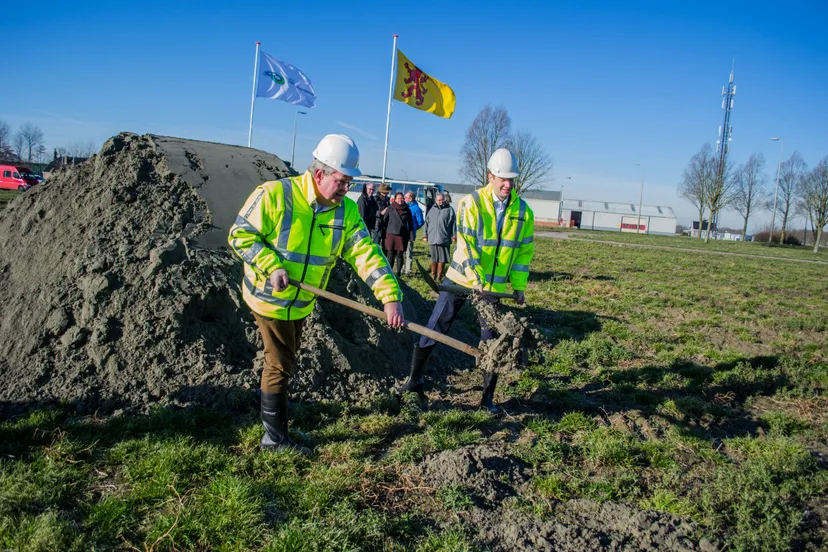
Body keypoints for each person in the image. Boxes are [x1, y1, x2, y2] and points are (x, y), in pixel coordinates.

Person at [228, 134, 405, 455]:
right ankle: (274, 440)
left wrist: (389, 295)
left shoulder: (346, 212)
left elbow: (366, 253)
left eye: (350, 182)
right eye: (341, 180)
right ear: (319, 173)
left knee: (284, 359)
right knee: (280, 363)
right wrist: (271, 266)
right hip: (268, 297)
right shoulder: (275, 195)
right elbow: (239, 234)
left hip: (301, 302)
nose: (346, 188)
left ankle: (272, 416)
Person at [394, 148, 535, 413]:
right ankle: (414, 380)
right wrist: (476, 279)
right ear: (490, 176)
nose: (507, 184)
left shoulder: (524, 212)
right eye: (502, 178)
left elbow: (523, 253)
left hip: (492, 287)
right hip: (460, 278)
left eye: (511, 179)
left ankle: (487, 399)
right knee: (436, 325)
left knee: (492, 340)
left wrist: (518, 286)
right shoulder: (472, 203)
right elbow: (466, 245)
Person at [422, 192, 456, 281]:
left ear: (444, 200)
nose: (440, 201)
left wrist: (454, 235)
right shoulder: (432, 209)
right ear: (435, 200)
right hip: (432, 237)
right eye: (438, 200)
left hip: (443, 237)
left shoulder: (449, 210)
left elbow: (454, 224)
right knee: (434, 257)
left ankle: (439, 275)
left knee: (442, 258)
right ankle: (433, 274)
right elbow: (426, 223)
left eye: (441, 200)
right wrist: (425, 235)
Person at [383, 192, 413, 276]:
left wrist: (411, 236)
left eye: (402, 198)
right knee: (390, 254)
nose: (401, 200)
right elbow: (384, 222)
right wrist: (383, 234)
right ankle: (389, 272)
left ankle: (398, 273)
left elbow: (410, 224)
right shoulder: (390, 208)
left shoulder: (407, 209)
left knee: (400, 254)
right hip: (391, 235)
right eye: (399, 198)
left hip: (402, 235)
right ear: (395, 199)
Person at [403, 191, 425, 275]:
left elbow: (421, 222)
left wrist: (414, 228)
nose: (404, 198)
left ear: (410, 198)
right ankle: (402, 267)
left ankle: (408, 269)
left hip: (410, 234)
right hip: (402, 233)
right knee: (402, 252)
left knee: (408, 252)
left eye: (406, 197)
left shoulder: (416, 208)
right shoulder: (404, 206)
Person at [375, 183, 392, 254]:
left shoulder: (388, 200)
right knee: (376, 244)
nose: (386, 194)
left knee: (385, 245)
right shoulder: (375, 199)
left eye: (387, 192)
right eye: (385, 192)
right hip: (377, 224)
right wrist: (381, 212)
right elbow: (371, 212)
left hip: (386, 225)